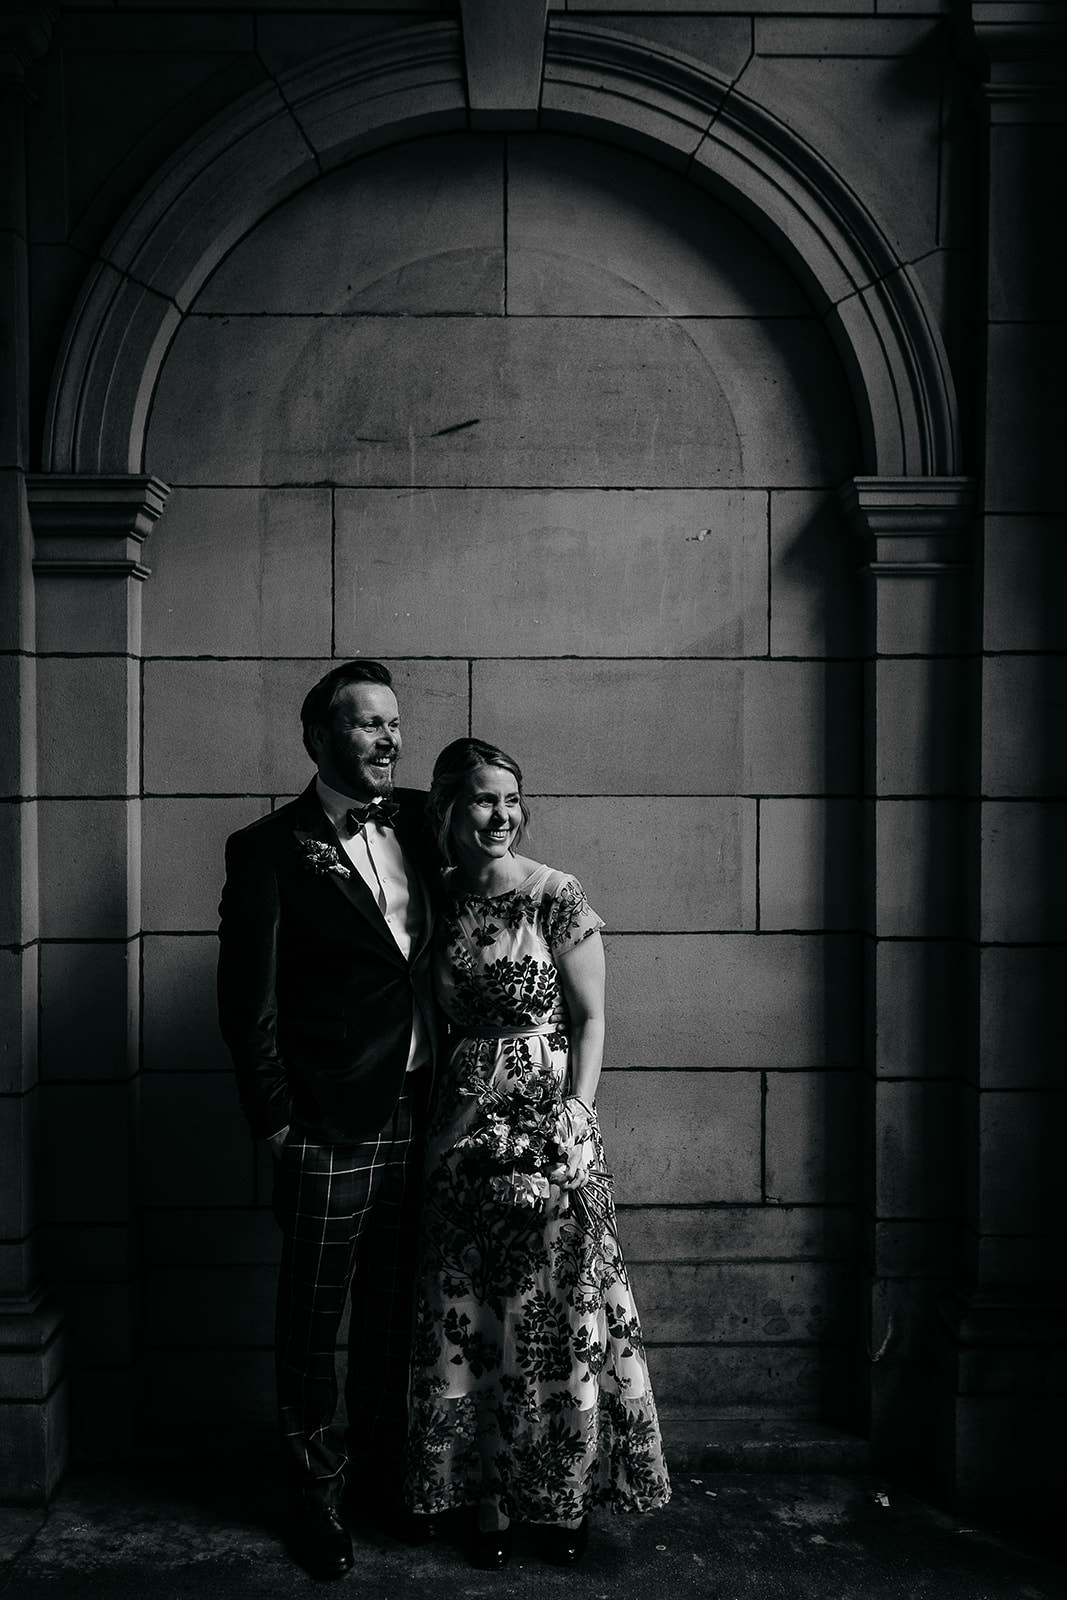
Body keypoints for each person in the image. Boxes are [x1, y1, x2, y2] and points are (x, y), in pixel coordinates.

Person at [404, 737, 670, 1569]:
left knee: (554, 1314)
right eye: (484, 799)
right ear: (449, 807)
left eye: (512, 799)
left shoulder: (556, 894)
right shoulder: (435, 898)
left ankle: (557, 1503)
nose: (501, 815)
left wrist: (575, 1119)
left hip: (549, 1121)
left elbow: (591, 1021)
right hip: (459, 1121)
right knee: (468, 1313)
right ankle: (482, 1499)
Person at [217, 660, 440, 1581]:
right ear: (318, 739)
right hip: (328, 1126)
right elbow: (247, 1002)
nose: (387, 738)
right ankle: (316, 1498)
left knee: (396, 1312)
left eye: (393, 722)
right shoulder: (268, 847)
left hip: (427, 1111)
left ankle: (386, 1478)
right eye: (364, 724)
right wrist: (278, 1127)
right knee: (312, 1321)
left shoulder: (426, 820)